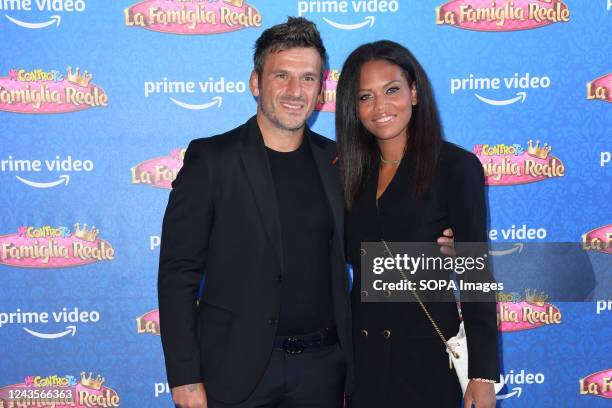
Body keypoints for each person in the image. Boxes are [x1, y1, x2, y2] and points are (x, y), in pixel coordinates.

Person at [158, 17, 352, 407]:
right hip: (235, 372)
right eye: (282, 76)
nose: (295, 91)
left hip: (322, 371)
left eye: (308, 78)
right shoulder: (212, 159)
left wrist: (438, 246)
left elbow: (367, 246)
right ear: (255, 83)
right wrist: (184, 376)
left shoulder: (339, 162)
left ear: (320, 91)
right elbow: (178, 272)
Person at [335, 40, 501, 408]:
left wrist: (483, 373)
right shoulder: (346, 172)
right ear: (354, 107)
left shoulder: (455, 167)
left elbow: (475, 274)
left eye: (391, 90)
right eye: (365, 97)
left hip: (425, 358)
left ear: (413, 92)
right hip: (362, 363)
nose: (380, 106)